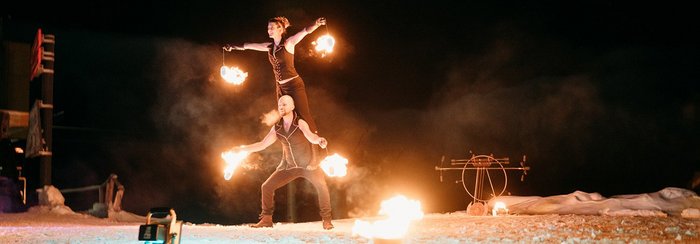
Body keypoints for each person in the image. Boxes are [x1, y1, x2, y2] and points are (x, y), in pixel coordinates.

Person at [229, 95, 333, 230]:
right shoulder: (277, 128)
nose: (281, 107)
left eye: (284, 104)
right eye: (279, 105)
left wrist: (319, 140)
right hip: (289, 167)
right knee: (266, 187)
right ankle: (266, 219)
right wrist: (242, 149)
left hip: (308, 166)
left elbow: (310, 136)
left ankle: (327, 220)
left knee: (322, 187)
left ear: (292, 106)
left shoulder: (300, 123)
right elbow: (262, 144)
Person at [223, 16, 326, 133]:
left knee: (303, 115)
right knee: (286, 118)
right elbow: (249, 45)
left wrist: (316, 23)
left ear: (280, 29)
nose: (269, 30)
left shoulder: (288, 43)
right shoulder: (269, 47)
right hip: (280, 87)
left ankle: (316, 144)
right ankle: (289, 147)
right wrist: (232, 46)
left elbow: (305, 31)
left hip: (294, 85)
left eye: (272, 28)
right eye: (268, 28)